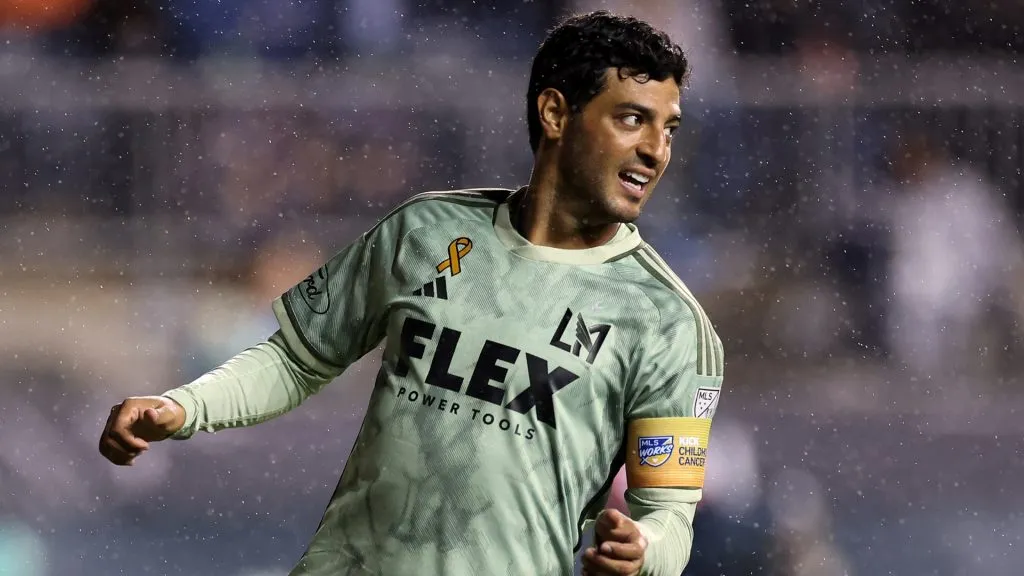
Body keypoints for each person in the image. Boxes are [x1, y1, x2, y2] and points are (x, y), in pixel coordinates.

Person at [98, 10, 725, 576]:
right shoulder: (424, 232)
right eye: (632, 119)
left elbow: (669, 513)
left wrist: (642, 551)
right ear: (556, 113)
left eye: (669, 128)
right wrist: (184, 408)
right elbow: (296, 360)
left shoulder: (667, 323)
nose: (656, 149)